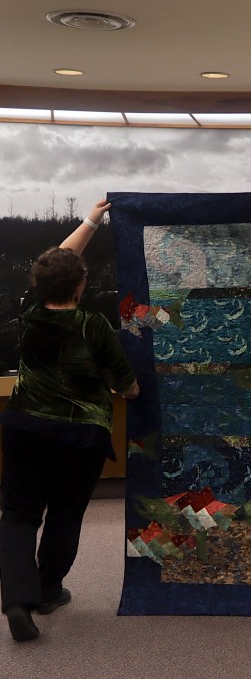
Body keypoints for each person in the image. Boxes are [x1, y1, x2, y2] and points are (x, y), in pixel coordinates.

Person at [0, 199, 139, 642]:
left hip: (25, 427)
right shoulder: (93, 325)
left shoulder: (30, 312)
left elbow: (57, 264)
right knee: (64, 514)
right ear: (81, 285)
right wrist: (126, 387)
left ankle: (17, 600)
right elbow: (128, 387)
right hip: (81, 438)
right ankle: (47, 591)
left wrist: (91, 220)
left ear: (38, 284)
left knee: (18, 515)